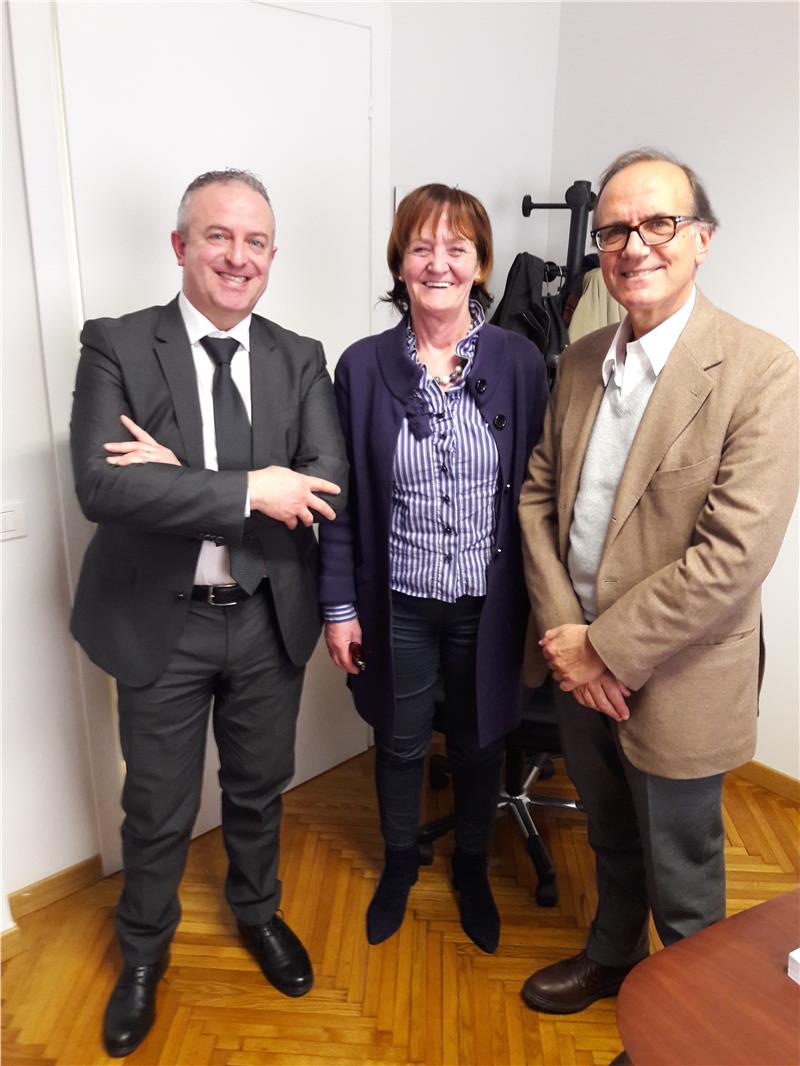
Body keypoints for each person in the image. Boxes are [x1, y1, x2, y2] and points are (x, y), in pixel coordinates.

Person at [70, 169, 348, 1057]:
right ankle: (143, 954)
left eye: (255, 241)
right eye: (218, 236)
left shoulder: (300, 356)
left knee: (259, 790)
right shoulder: (116, 343)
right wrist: (249, 488)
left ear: (272, 254)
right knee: (156, 806)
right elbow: (101, 486)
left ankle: (257, 913)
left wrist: (178, 477)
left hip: (266, 616)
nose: (238, 256)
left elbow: (322, 486)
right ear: (180, 245)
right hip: (162, 622)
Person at [518, 148, 798, 1019]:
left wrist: (603, 649)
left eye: (658, 223)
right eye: (614, 230)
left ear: (702, 239)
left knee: (683, 871)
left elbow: (733, 555)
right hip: (577, 661)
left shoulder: (763, 370)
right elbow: (538, 498)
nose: (634, 245)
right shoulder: (579, 360)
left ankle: (690, 1023)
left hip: (678, 674)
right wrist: (568, 641)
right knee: (608, 834)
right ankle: (612, 958)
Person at [318, 184, 549, 953]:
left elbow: (541, 492)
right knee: (399, 740)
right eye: (421, 248)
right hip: (400, 604)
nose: (438, 264)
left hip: (491, 604)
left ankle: (473, 868)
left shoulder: (520, 362)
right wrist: (339, 607)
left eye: (457, 248)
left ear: (480, 263)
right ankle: (397, 864)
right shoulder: (362, 367)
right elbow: (342, 501)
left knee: (480, 743)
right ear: (400, 263)